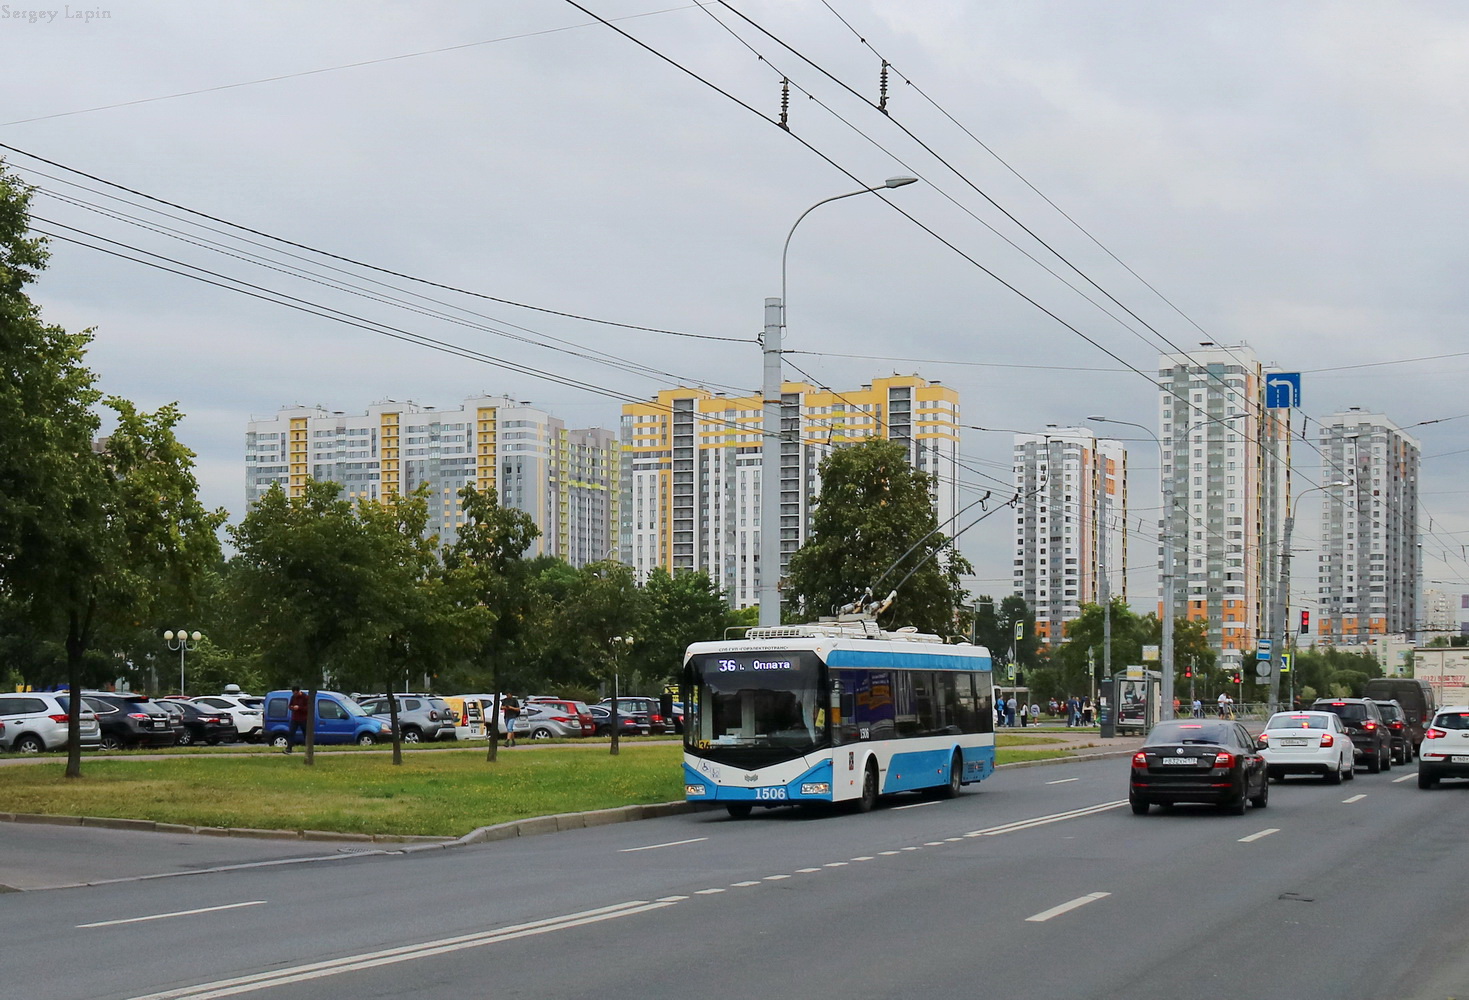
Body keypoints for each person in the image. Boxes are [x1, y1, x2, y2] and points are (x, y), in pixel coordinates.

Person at [285, 685, 309, 754]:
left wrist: (299, 708)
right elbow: (290, 706)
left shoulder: (305, 697)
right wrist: (292, 707)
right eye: (294, 693)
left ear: (299, 691)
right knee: (291, 733)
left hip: (303, 719)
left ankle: (308, 748)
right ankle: (289, 748)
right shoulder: (293, 697)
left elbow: (307, 708)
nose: (295, 695)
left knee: (306, 734)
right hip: (295, 718)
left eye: (296, 693)